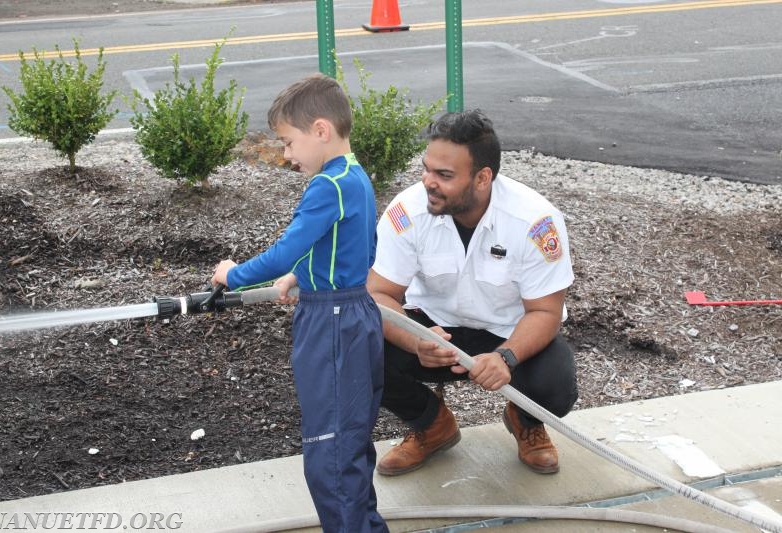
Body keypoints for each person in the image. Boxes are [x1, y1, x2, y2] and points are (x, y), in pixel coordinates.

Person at [211, 74, 388, 533]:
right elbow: (352, 249)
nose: (287, 155)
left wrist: (234, 275)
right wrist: (301, 277)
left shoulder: (326, 186)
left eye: (289, 142)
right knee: (350, 443)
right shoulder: (354, 176)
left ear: (321, 131)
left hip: (331, 323)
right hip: (353, 312)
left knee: (328, 455)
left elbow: (286, 248)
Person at [367, 109, 578, 477]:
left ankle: (525, 419)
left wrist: (506, 358)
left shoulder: (535, 221)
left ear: (483, 178)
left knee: (556, 384)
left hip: (509, 334)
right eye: (427, 168)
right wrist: (415, 340)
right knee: (354, 343)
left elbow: (545, 313)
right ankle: (432, 425)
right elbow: (379, 294)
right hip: (433, 331)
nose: (428, 182)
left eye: (444, 175)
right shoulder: (407, 211)